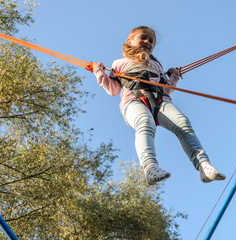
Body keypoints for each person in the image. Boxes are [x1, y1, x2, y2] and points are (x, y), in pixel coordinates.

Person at [92, 26, 225, 185]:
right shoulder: (119, 63)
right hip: (133, 101)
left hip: (160, 101)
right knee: (144, 122)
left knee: (183, 123)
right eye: (143, 38)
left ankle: (204, 165)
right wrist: (99, 72)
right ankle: (150, 167)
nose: (147, 42)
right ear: (130, 41)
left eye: (151, 41)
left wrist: (174, 77)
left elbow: (166, 90)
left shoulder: (156, 65)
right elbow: (113, 90)